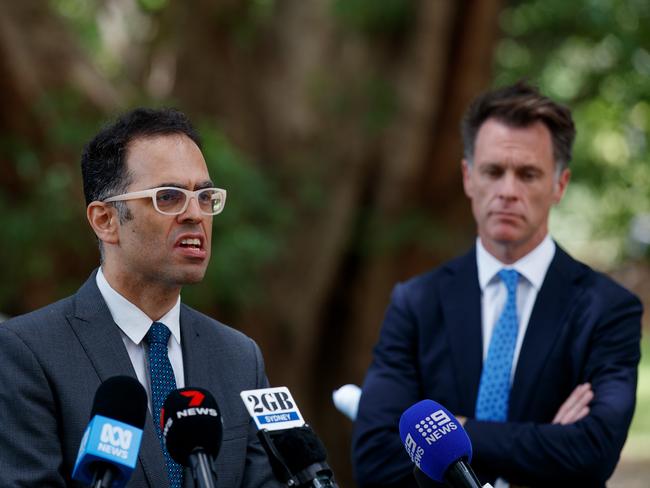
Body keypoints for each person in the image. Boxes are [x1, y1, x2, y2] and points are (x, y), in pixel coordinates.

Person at [352, 82, 642, 487]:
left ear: (560, 184)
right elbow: (374, 459)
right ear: (469, 177)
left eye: (528, 174)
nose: (508, 191)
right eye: (493, 171)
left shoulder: (608, 309)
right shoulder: (417, 302)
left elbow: (593, 452)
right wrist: (547, 443)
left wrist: (452, 433)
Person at [0, 108, 281, 487]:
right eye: (168, 197)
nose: (195, 214)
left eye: (205, 196)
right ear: (105, 221)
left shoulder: (238, 357)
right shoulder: (26, 354)